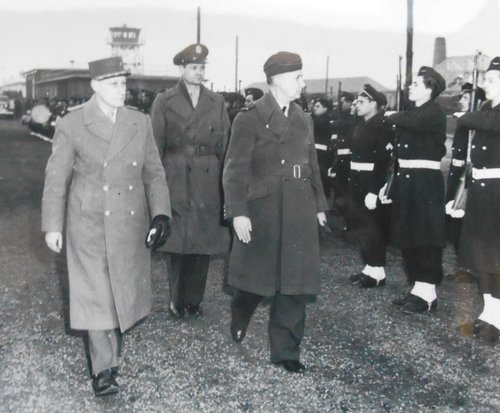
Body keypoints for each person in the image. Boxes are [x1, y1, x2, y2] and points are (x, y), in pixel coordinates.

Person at [41, 56, 172, 396]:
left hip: (129, 220)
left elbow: (153, 173)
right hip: (89, 222)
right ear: (95, 86)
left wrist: (161, 215)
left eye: (124, 84)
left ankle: (110, 350)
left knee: (120, 294)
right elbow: (56, 178)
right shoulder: (72, 124)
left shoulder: (138, 122)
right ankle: (104, 370)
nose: (122, 90)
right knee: (96, 293)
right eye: (114, 84)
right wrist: (52, 225)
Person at [222, 51, 328, 373]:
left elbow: (312, 165)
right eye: (298, 77)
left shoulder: (303, 117)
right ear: (279, 80)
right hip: (263, 206)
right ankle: (241, 309)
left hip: (299, 205)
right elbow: (234, 169)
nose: (303, 83)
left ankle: (286, 351)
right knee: (256, 278)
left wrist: (320, 206)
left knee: (295, 281)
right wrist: (237, 211)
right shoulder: (249, 117)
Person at [150, 43, 231, 318]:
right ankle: (176, 299)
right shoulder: (164, 101)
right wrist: (158, 184)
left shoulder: (216, 101)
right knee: (179, 241)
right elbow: (155, 146)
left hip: (208, 177)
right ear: (182, 69)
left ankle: (194, 301)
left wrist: (226, 183)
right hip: (177, 175)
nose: (199, 72)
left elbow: (225, 144)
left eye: (202, 67)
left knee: (203, 241)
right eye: (194, 68)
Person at [380, 66, 447, 314]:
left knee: (426, 235)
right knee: (407, 233)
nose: (410, 87)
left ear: (430, 89)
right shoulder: (412, 112)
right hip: (407, 178)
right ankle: (418, 288)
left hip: (425, 181)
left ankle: (428, 292)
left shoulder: (433, 113)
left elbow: (410, 122)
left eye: (417, 84)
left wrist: (390, 115)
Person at [454, 57, 500, 345]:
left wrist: (461, 116)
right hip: (482, 188)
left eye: (491, 80)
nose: (484, 85)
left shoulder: (489, 114)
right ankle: (490, 313)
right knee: (482, 258)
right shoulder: (486, 109)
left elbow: (477, 121)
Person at [347, 84, 393, 288]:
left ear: (374, 103)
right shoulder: (362, 124)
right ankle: (369, 268)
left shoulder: (382, 125)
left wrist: (375, 190)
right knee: (362, 226)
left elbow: (383, 161)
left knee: (373, 226)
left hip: (370, 181)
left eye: (362, 101)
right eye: (356, 101)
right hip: (357, 180)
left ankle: (378, 272)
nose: (357, 105)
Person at [445, 83, 485, 282]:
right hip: (457, 175)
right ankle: (464, 266)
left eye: (466, 98)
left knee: (471, 225)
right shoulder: (462, 123)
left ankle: (473, 269)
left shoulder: (480, 124)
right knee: (455, 225)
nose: (461, 101)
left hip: (472, 177)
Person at [329, 91, 357, 215]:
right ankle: (338, 206)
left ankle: (343, 207)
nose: (341, 104)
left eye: (344, 101)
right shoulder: (339, 115)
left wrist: (336, 123)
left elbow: (351, 125)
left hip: (348, 155)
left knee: (344, 184)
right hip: (339, 153)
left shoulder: (352, 117)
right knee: (338, 183)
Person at [312, 97, 334, 200]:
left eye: (318, 106)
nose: (314, 108)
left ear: (325, 108)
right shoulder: (322, 119)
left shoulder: (323, 121)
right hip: (319, 154)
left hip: (321, 155)